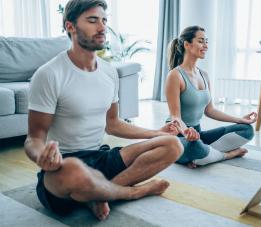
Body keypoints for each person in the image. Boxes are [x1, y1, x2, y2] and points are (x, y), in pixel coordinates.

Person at [24, 0, 183, 221]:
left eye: (104, 20)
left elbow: (114, 123)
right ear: (70, 27)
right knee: (75, 169)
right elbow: (34, 138)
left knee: (173, 145)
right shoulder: (49, 74)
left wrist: (159, 133)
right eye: (92, 20)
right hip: (63, 169)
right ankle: (130, 192)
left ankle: (99, 194)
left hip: (100, 158)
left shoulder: (109, 73)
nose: (102, 27)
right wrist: (42, 156)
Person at [165, 25, 257, 168]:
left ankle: (202, 156)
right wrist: (186, 132)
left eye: (206, 41)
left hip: (197, 135)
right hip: (177, 135)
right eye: (201, 41)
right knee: (194, 147)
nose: (206, 45)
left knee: (246, 130)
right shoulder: (175, 76)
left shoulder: (204, 75)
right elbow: (175, 117)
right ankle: (227, 154)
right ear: (187, 45)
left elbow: (210, 110)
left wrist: (239, 119)